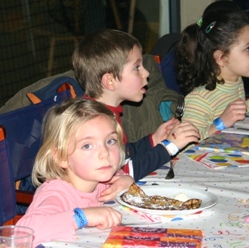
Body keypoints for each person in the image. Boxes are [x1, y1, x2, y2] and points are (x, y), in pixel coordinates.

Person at [73, 29, 200, 180]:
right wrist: (169, 147)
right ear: (110, 81)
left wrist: (153, 140)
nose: (146, 73)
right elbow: (120, 173)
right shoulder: (93, 123)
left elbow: (123, 154)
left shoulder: (107, 113)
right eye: (137, 67)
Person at [17, 98, 130, 246]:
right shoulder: (56, 194)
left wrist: (125, 180)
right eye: (87, 146)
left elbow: (118, 177)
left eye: (110, 141)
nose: (105, 153)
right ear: (61, 157)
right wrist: (82, 217)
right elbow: (23, 233)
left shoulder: (99, 177)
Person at [175, 0, 249, 139]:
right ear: (221, 57)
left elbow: (237, 112)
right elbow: (186, 144)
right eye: (248, 49)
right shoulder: (199, 100)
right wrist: (220, 123)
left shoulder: (235, 81)